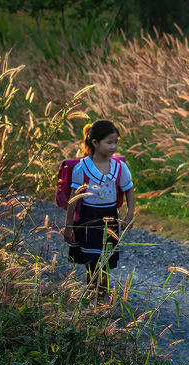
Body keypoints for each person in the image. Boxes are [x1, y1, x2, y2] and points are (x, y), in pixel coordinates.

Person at [63, 120, 135, 299]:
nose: (113, 147)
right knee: (92, 262)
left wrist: (130, 213)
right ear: (95, 143)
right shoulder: (82, 168)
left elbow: (128, 189)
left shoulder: (119, 167)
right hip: (89, 219)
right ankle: (92, 298)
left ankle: (100, 299)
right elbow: (74, 198)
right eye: (109, 142)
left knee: (105, 263)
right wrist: (69, 226)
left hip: (109, 218)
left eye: (115, 142)